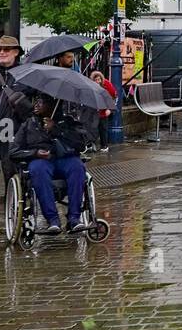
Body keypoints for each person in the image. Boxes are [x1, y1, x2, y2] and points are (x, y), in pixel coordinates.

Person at [11, 94, 91, 234]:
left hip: (63, 159)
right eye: (35, 101)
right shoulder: (28, 124)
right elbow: (13, 151)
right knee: (38, 169)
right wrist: (35, 153)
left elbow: (80, 144)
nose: (36, 105)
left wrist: (56, 130)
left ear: (52, 105)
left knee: (77, 167)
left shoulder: (67, 122)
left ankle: (74, 218)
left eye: (41, 102)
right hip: (41, 160)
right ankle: (53, 220)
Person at [89, 69, 117, 151]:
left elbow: (113, 96)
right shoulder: (91, 86)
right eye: (96, 80)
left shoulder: (107, 84)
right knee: (92, 128)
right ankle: (91, 144)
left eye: (99, 79)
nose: (97, 81)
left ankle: (104, 146)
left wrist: (109, 109)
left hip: (104, 111)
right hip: (94, 110)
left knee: (103, 128)